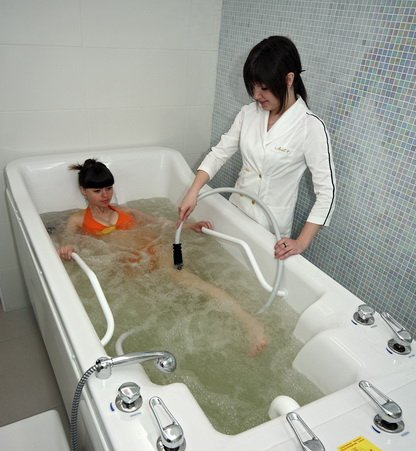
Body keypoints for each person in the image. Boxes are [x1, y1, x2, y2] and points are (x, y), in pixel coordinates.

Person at [57, 159, 267, 355]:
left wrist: (190, 226)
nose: (105, 195)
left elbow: (160, 223)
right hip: (128, 263)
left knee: (190, 281)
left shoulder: (126, 211)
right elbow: (66, 239)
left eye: (109, 188)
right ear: (83, 191)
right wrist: (67, 247)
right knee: (144, 306)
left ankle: (249, 322)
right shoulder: (78, 219)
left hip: (154, 251)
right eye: (97, 191)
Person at [178, 35, 336, 260]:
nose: (256, 95)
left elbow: (327, 193)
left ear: (289, 79)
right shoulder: (248, 114)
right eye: (252, 87)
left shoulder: (310, 127)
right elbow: (219, 153)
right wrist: (193, 192)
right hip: (235, 214)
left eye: (263, 87)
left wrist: (301, 242)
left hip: (270, 230)